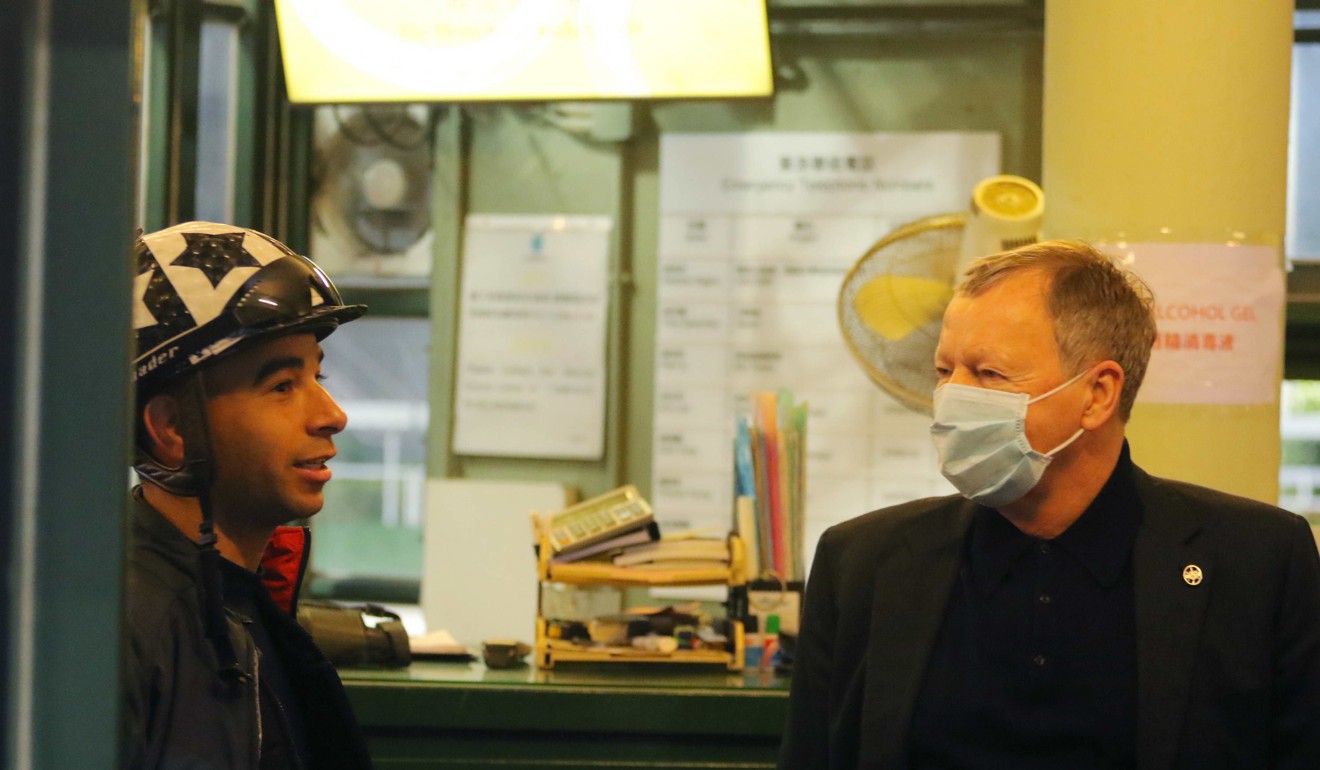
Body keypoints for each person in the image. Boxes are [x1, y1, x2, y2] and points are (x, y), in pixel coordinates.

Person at [779, 240, 1320, 769]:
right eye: (945, 372)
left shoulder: (1259, 562)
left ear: (1098, 394)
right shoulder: (862, 561)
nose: (951, 400)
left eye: (990, 374)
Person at [122, 221, 375, 768]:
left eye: (318, 379)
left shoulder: (237, 603)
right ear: (173, 430)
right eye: (282, 386)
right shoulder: (125, 629)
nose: (332, 417)